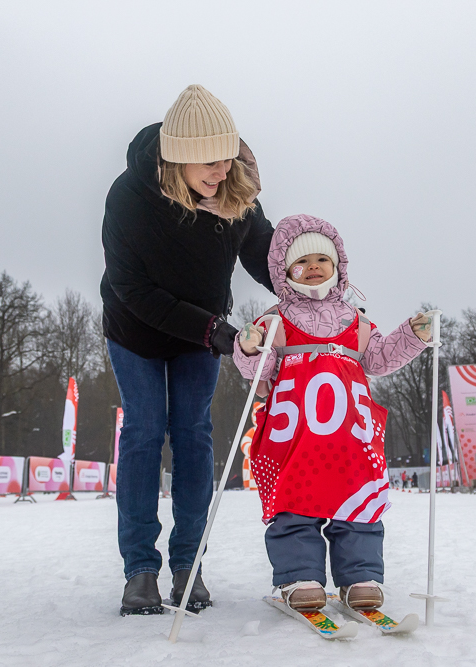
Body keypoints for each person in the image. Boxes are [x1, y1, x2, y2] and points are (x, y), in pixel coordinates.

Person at [101, 85, 274, 615]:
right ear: (178, 155)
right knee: (146, 430)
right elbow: (135, 291)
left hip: (202, 336)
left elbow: (267, 256)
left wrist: (319, 290)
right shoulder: (129, 197)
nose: (221, 170)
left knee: (194, 435)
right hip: (137, 330)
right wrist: (216, 332)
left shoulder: (234, 188)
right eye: (209, 161)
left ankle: (188, 565)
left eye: (227, 156)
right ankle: (140, 571)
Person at [233, 213, 433, 611]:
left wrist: (412, 335)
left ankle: (360, 575)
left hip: (350, 436)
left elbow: (378, 359)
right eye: (301, 263)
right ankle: (300, 576)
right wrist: (252, 347)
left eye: (321, 260)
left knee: (357, 499)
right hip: (294, 437)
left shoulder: (356, 321)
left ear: (337, 266)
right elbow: (260, 373)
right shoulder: (275, 320)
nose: (312, 268)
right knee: (295, 501)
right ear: (284, 271)